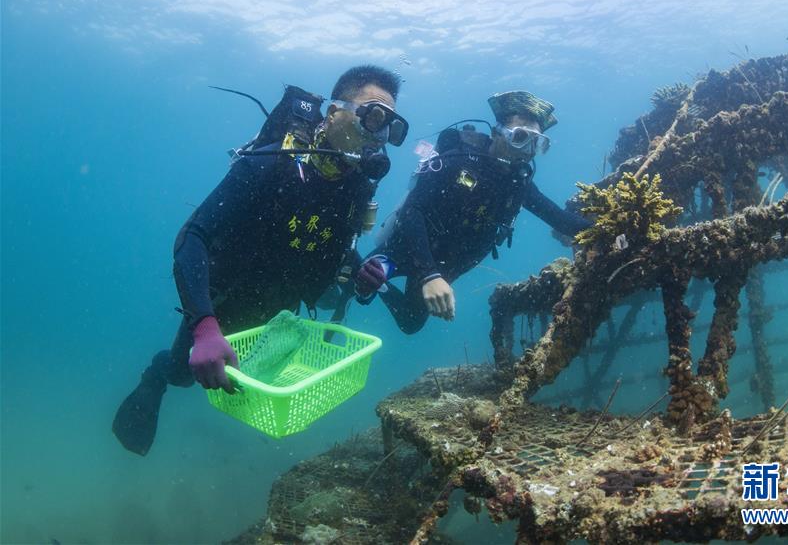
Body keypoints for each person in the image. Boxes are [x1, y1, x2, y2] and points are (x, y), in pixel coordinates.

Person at [112, 65, 406, 456]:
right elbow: (192, 237)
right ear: (334, 112)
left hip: (281, 312)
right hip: (224, 301)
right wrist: (204, 326)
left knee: (251, 377)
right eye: (373, 116)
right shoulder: (272, 164)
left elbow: (331, 247)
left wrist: (362, 273)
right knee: (185, 374)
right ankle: (155, 375)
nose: (379, 136)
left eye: (389, 127)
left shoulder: (355, 189)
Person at [353, 90, 589, 334]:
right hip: (410, 247)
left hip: (448, 263)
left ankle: (378, 284)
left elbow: (561, 220)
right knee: (359, 278)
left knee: (410, 322)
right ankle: (362, 270)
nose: (528, 151)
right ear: (497, 133)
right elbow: (412, 211)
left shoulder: (519, 184)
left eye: (537, 143)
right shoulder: (457, 162)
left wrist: (608, 227)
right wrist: (428, 275)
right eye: (520, 137)